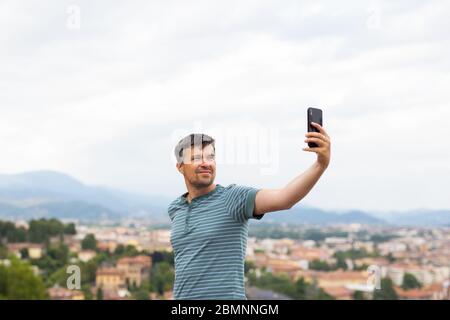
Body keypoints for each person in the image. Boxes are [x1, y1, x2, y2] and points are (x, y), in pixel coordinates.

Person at [168, 123, 331, 299]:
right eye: (197, 158)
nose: (206, 163)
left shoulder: (232, 198)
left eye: (211, 157)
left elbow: (285, 198)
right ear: (180, 167)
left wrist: (320, 164)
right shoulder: (176, 208)